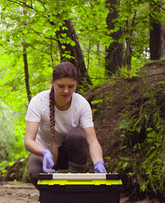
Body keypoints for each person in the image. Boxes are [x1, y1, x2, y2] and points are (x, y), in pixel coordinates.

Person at [24, 61, 106, 191]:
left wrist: (99, 163)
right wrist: (44, 152)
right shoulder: (38, 101)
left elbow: (92, 140)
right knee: (35, 173)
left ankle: (75, 185)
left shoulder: (82, 104)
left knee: (77, 135)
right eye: (61, 86)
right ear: (52, 82)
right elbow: (28, 141)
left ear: (76, 85)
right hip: (44, 154)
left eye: (71, 86)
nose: (66, 91)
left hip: (68, 154)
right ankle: (51, 194)